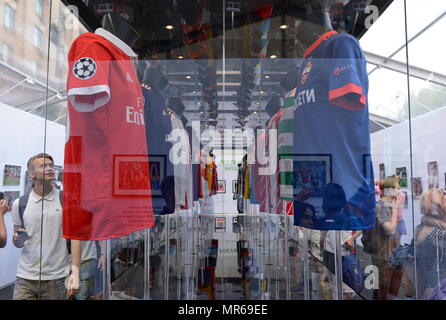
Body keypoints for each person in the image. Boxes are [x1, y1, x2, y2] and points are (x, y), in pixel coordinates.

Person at [11, 153, 79, 300]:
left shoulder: (66, 200)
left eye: (50, 165)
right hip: (25, 277)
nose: (49, 168)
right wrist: (18, 239)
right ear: (31, 174)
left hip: (57, 277)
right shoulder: (20, 204)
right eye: (43, 166)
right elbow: (16, 241)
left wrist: (75, 272)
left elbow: (75, 237)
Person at [371, 177, 402, 300]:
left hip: (392, 251)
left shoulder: (389, 205)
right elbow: (390, 229)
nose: (399, 192)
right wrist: (395, 210)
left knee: (395, 280)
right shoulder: (380, 206)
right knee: (383, 286)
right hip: (382, 254)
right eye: (397, 189)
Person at [415, 188, 446, 299]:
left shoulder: (421, 227)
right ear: (439, 207)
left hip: (429, 289)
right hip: (438, 291)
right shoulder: (439, 234)